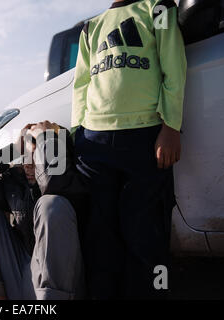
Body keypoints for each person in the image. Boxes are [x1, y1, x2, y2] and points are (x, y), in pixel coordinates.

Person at [71, 0, 187, 299]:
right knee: (100, 235)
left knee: (145, 233)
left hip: (145, 139)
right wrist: (76, 134)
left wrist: (171, 126)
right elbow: (81, 85)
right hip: (93, 143)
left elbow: (173, 67)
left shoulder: (157, 8)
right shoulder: (90, 27)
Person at [0, 121, 89, 300]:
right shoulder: (16, 183)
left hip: (61, 288)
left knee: (51, 204)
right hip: (22, 275)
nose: (27, 164)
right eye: (25, 156)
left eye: (36, 155)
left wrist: (46, 137)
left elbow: (53, 183)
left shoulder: (70, 180)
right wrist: (14, 149)